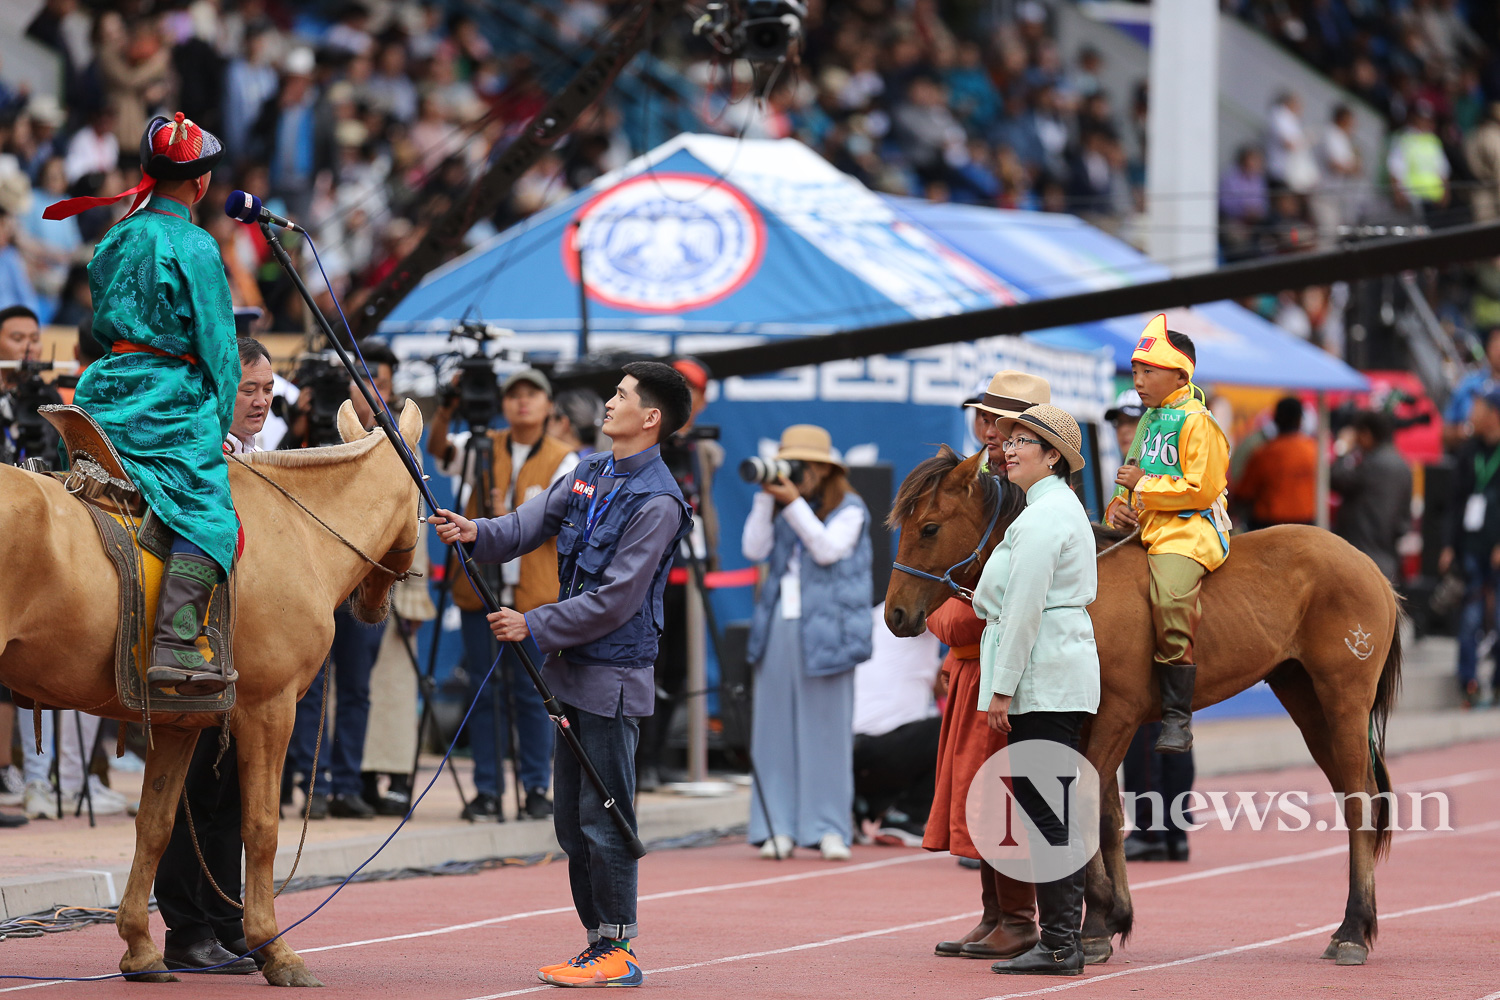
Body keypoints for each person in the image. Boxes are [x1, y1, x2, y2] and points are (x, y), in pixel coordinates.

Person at [428, 361, 692, 988]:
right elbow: (528, 523)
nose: (607, 402)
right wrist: (475, 532)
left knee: (606, 815)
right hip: (569, 674)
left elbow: (620, 599)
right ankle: (598, 941)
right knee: (571, 824)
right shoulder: (589, 472)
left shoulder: (658, 501)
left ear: (650, 419)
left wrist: (534, 624)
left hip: (611, 680)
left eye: (621, 396)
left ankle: (620, 948)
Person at [44, 111, 240, 696]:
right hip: (167, 404)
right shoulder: (196, 244)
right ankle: (179, 641)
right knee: (210, 511)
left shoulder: (115, 235)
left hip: (102, 393)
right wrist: (222, 421)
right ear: (201, 184)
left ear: (143, 172)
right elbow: (220, 349)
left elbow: (104, 325)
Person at [152, 336, 277, 975]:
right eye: (246, 389)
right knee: (190, 787)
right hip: (197, 649)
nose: (258, 401)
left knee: (227, 795)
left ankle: (224, 921)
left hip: (244, 656)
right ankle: (187, 929)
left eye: (266, 390)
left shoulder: (259, 459)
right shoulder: (204, 459)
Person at [927, 371, 1046, 961]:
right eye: (986, 418)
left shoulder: (1039, 501)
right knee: (978, 794)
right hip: (975, 666)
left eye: (1005, 422)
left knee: (1001, 796)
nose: (991, 432)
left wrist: (953, 623)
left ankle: (1022, 919)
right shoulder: (984, 491)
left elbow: (985, 609)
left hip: (1010, 671)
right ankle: (996, 914)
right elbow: (952, 604)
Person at [977, 403, 1098, 977]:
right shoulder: (1045, 509)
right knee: (1049, 810)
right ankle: (1059, 940)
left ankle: (1059, 943)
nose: (1010, 447)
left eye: (1026, 440)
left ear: (1054, 456)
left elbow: (1023, 607)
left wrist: (1002, 689)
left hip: (1045, 674)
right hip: (1050, 669)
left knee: (1048, 813)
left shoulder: (1045, 515)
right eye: (1011, 438)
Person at [428, 368, 576, 822]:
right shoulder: (481, 445)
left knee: (534, 693)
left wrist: (503, 514)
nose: (522, 403)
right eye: (514, 395)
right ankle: (488, 790)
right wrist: (446, 409)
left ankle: (535, 788)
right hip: (481, 590)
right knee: (483, 689)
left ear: (550, 406)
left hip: (534, 597)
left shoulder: (566, 460)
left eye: (533, 394)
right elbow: (438, 452)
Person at [742, 424, 872, 863]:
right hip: (780, 622)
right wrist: (765, 497)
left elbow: (827, 549)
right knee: (772, 729)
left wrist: (793, 503)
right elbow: (753, 549)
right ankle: (775, 826)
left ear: (821, 469)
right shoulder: (781, 507)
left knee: (827, 732)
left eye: (800, 466)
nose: (794, 474)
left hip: (830, 629)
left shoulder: (850, 508)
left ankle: (829, 826)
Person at [1106, 317, 1231, 754]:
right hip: (1144, 528)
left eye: (1148, 371)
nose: (1138, 380)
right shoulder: (1147, 423)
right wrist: (1118, 505)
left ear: (1181, 374)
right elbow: (1128, 478)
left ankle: (1178, 714)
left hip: (1187, 531)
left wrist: (1142, 486)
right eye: (1136, 371)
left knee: (1170, 597)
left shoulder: (1200, 422)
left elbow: (1202, 488)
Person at [284, 350, 397, 819]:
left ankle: (346, 783)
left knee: (355, 688)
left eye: (379, 382)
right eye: (360, 379)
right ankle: (312, 782)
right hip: (311, 578)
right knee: (309, 684)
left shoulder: (394, 439)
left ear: (391, 390)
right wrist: (299, 424)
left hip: (363, 582)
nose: (368, 390)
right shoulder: (309, 429)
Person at [636, 356, 723, 791]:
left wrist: (711, 559)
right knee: (645, 662)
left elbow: (703, 499)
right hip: (644, 569)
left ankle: (656, 757)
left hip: (688, 569)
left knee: (678, 669)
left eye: (696, 392)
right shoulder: (641, 436)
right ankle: (636, 759)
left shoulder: (702, 449)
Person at [851, 602, 942, 845]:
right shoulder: (921, 609)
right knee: (947, 729)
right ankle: (906, 815)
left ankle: (862, 807)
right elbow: (966, 621)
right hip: (883, 749)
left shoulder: (874, 615)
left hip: (848, 750)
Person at [1440, 384, 1500, 708]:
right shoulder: (1468, 451)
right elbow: (1455, 501)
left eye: (1477, 408)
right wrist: (1449, 545)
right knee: (1469, 619)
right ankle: (1469, 685)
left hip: (1495, 547)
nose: (1471, 414)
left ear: (1494, 415)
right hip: (1470, 549)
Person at [1331, 410, 1412, 586]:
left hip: (1360, 558)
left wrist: (1342, 447)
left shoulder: (1370, 465)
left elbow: (1335, 478)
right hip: (1389, 561)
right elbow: (1405, 518)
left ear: (1366, 434)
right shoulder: (1404, 466)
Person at [1233, 397, 1318, 529]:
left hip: (1269, 526)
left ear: (1276, 420)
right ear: (1300, 421)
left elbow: (1244, 493)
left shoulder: (1264, 453)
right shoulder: (1314, 450)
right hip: (1306, 523)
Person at [1443, 328, 1500, 448]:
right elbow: (1444, 432)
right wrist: (1466, 431)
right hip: (1470, 454)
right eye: (1495, 345)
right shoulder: (1470, 383)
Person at [549, 387, 605, 459]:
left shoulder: (566, 464)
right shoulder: (607, 458)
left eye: (549, 418)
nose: (547, 424)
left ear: (563, 422)